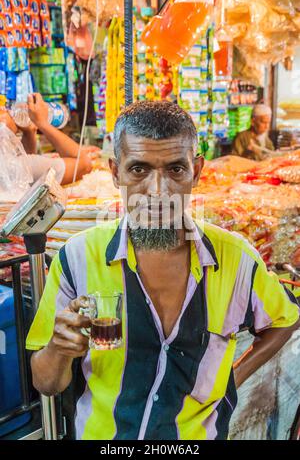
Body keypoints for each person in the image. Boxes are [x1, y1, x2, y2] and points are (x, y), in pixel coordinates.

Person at [26, 101, 299, 440]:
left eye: (175, 170)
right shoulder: (77, 258)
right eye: (139, 170)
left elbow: (285, 320)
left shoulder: (237, 260)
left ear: (196, 172)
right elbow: (46, 383)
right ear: (115, 172)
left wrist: (235, 375)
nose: (158, 191)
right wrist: (58, 348)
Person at [0, 93, 92, 185]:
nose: (6, 109)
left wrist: (29, 132)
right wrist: (42, 123)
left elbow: (28, 169)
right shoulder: (15, 166)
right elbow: (84, 165)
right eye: (2, 108)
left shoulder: (9, 162)